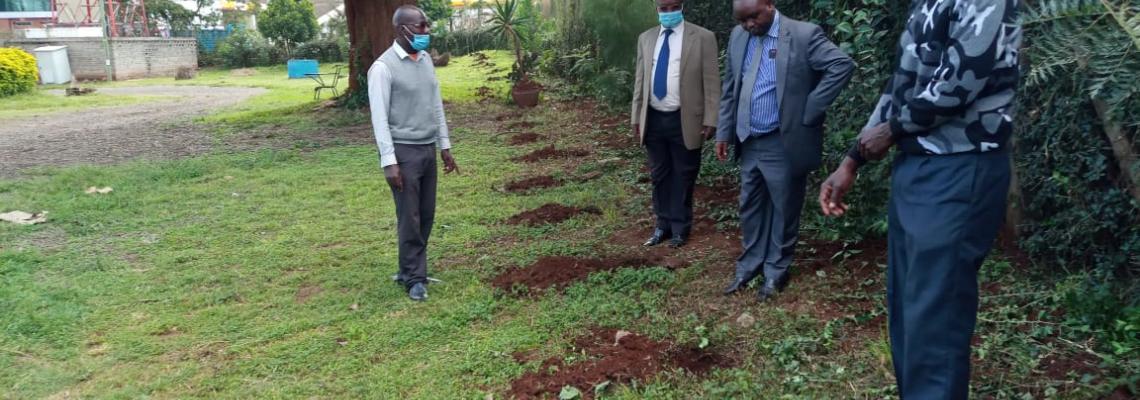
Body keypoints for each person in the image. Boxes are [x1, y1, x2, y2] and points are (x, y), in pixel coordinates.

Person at [818, 0, 1022, 397]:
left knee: (935, 314)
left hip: (961, 166)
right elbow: (901, 85)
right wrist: (852, 159)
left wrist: (892, 130)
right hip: (917, 165)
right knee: (909, 307)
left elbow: (960, 81)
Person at [716, 0, 854, 302]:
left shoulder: (803, 35)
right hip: (748, 138)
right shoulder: (739, 37)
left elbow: (841, 65)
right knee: (750, 204)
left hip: (783, 140)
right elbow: (731, 86)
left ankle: (776, 270)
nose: (749, 25)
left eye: (754, 17)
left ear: (769, 4)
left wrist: (811, 109)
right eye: (742, 20)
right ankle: (749, 265)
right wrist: (724, 130)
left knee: (783, 207)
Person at [368, 5, 460, 302]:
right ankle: (414, 279)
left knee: (427, 213)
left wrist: (444, 145)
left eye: (427, 26)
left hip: (427, 148)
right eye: (420, 27)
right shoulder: (382, 68)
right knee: (410, 216)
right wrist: (389, 161)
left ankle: (409, 270)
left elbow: (436, 105)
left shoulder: (424, 61)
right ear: (402, 29)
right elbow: (379, 118)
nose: (426, 32)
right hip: (403, 152)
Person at [631, 0, 721, 249]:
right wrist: (636, 117)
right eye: (663, 9)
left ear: (682, 6)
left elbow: (712, 83)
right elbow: (640, 81)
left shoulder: (702, 37)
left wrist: (711, 118)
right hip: (654, 118)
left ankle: (681, 228)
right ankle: (662, 225)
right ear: (656, 9)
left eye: (673, 8)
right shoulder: (646, 38)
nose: (669, 13)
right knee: (659, 175)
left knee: (684, 174)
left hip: (686, 119)